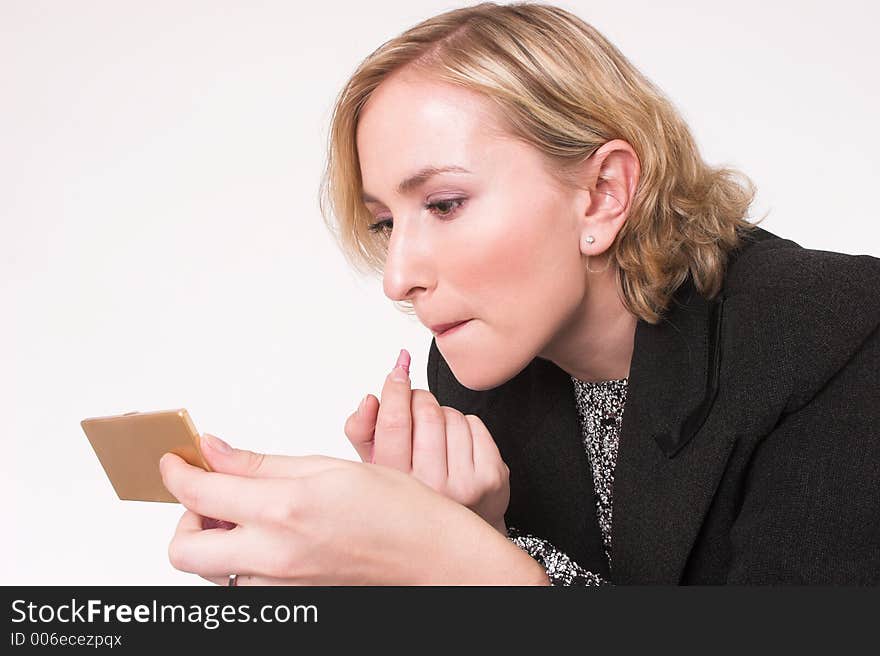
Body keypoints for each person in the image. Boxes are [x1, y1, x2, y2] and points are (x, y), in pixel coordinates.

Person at [158, 2, 880, 585]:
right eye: (384, 223)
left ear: (602, 194)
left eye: (442, 204)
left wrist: (465, 566)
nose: (396, 278)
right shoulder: (479, 379)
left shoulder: (838, 332)